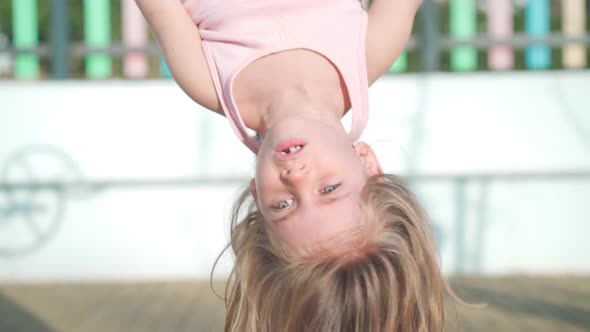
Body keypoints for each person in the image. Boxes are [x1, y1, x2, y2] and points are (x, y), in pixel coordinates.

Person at [137, 0, 458, 330]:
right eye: (329, 189)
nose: (297, 177)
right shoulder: (371, 51)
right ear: (367, 164)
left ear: (257, 197)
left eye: (283, 204)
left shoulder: (208, 82)